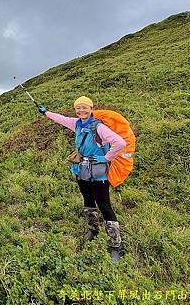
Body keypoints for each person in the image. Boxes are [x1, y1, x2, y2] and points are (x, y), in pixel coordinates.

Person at [37, 96, 126, 262]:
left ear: (91, 109)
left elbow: (119, 143)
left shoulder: (98, 127)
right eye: (78, 108)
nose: (81, 111)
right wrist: (46, 112)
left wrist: (105, 158)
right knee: (88, 201)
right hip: (82, 170)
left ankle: (115, 245)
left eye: (85, 108)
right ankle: (93, 230)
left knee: (104, 205)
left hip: (99, 173)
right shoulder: (76, 123)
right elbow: (61, 119)